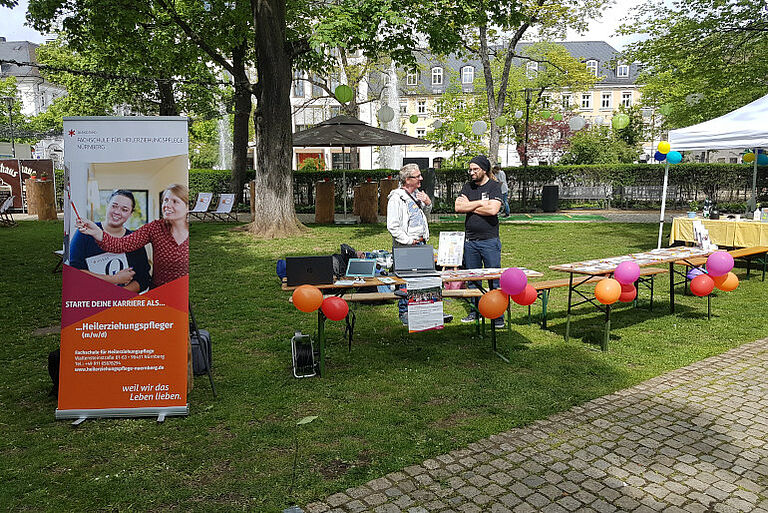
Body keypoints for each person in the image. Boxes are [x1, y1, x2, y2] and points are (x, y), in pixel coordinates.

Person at [77, 184, 189, 289]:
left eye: (174, 201)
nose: (167, 205)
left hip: (183, 294)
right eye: (166, 200)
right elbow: (121, 245)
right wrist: (98, 233)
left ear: (187, 207)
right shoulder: (155, 228)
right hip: (159, 294)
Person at [455, 155, 504, 328]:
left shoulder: (494, 187)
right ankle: (474, 312)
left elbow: (493, 210)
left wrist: (471, 206)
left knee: (494, 279)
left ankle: (497, 316)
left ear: (484, 170)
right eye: (470, 169)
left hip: (489, 241)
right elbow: (458, 207)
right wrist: (480, 203)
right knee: (473, 279)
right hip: (470, 242)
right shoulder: (468, 187)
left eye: (475, 169)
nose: (472, 172)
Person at [69, 189, 151, 293]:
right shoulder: (86, 232)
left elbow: (143, 279)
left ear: (131, 214)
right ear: (107, 205)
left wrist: (117, 296)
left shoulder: (134, 239)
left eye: (124, 209)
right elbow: (74, 272)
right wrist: (114, 279)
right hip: (89, 299)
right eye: (114, 206)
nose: (117, 212)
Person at [387, 163, 432, 325]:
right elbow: (392, 225)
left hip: (421, 243)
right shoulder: (396, 198)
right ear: (407, 180)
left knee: (423, 279)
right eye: (417, 176)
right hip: (407, 246)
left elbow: (422, 216)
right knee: (407, 280)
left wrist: (428, 203)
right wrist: (408, 240)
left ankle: (422, 310)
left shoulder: (418, 194)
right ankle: (404, 312)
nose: (421, 178)